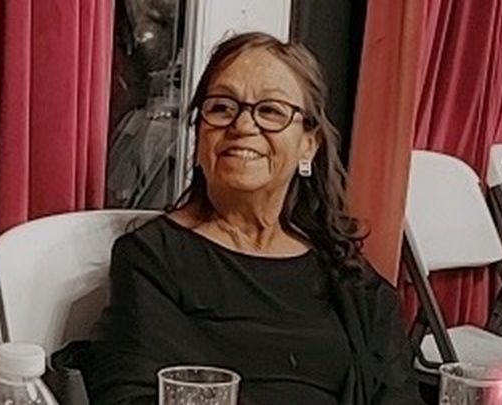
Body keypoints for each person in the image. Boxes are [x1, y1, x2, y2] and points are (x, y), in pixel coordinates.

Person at [80, 32, 422, 404]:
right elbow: (131, 395)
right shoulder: (152, 259)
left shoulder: (346, 275)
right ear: (200, 137)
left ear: (308, 144)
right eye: (222, 107)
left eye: (271, 110)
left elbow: (398, 393)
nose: (243, 126)